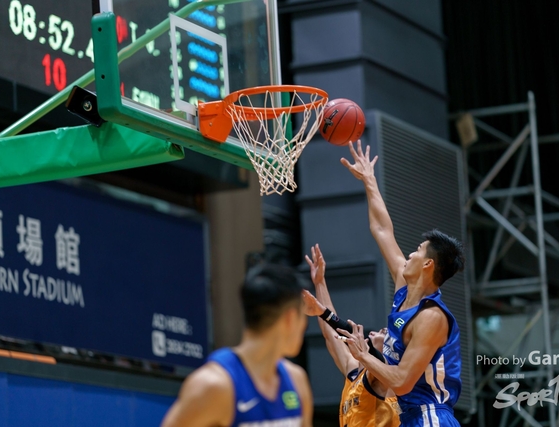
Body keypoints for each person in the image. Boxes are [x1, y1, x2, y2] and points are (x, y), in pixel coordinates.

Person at [338, 141, 465, 427]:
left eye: (417, 250)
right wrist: (369, 180)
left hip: (430, 417)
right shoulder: (404, 290)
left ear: (428, 264)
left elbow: (403, 382)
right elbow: (382, 229)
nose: (409, 255)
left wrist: (363, 355)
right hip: (409, 417)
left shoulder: (431, 317)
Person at [161, 263, 313, 427]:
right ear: (290, 318)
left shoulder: (296, 380)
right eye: (303, 316)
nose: (305, 325)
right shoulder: (214, 386)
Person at [302, 244, 400, 427]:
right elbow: (330, 333)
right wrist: (320, 282)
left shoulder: (382, 375)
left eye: (382, 333)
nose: (375, 331)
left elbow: (376, 365)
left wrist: (324, 312)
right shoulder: (353, 370)